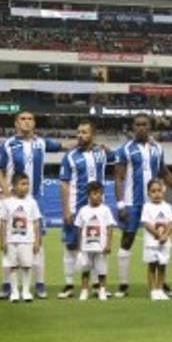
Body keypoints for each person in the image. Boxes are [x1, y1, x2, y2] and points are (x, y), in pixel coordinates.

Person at [0, 110, 68, 299]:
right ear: (16, 123)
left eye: (30, 119)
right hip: (12, 200)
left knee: (38, 241)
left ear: (34, 123)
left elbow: (64, 146)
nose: (27, 122)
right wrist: (6, 192)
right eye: (23, 119)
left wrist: (90, 144)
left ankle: (39, 283)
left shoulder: (41, 143)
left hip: (36, 198)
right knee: (9, 241)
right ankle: (6, 285)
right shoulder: (8, 145)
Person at [111, 114, 172, 297]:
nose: (141, 127)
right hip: (132, 202)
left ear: (150, 127)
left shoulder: (158, 148)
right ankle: (123, 284)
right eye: (137, 125)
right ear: (133, 127)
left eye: (144, 124)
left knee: (160, 240)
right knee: (127, 240)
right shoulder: (125, 149)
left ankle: (160, 283)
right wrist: (121, 204)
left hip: (155, 203)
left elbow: (163, 171)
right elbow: (119, 177)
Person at [58, 121, 111, 299]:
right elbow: (64, 184)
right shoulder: (70, 156)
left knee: (97, 246)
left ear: (93, 135)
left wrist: (151, 140)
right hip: (75, 208)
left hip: (97, 209)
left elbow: (120, 157)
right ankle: (69, 285)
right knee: (71, 246)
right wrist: (66, 210)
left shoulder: (101, 153)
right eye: (78, 132)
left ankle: (97, 285)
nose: (80, 135)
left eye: (85, 132)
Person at [0, 172, 42, 303]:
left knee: (27, 265)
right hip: (11, 240)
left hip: (27, 240)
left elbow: (36, 222)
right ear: (14, 186)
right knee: (12, 266)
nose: (26, 187)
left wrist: (37, 241)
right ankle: (14, 292)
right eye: (22, 184)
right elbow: (3, 222)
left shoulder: (32, 203)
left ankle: (26, 291)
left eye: (27, 184)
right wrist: (2, 240)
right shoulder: (7, 203)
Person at [72, 182, 117, 301]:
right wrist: (79, 247)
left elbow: (110, 228)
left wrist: (108, 244)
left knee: (102, 270)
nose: (98, 196)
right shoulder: (83, 210)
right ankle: (84, 290)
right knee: (85, 269)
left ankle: (102, 290)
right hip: (86, 247)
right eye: (95, 193)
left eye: (100, 193)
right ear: (88, 195)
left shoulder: (105, 210)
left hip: (101, 247)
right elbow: (79, 229)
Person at [140, 179, 172, 302]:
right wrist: (157, 234)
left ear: (163, 191)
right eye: (153, 191)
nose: (157, 194)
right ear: (148, 193)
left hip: (164, 243)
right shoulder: (147, 207)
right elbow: (146, 223)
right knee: (152, 266)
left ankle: (160, 289)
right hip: (151, 243)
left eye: (159, 191)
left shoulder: (167, 206)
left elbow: (171, 222)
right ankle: (153, 290)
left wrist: (165, 235)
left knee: (162, 266)